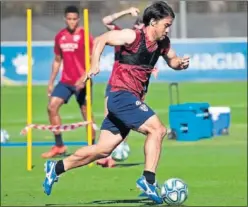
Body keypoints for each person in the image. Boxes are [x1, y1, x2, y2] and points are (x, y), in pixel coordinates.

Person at [43, 1, 190, 204]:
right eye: (166, 24)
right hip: (121, 95)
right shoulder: (132, 36)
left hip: (128, 99)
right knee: (158, 130)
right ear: (153, 22)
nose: (168, 28)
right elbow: (101, 39)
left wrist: (179, 64)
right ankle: (148, 180)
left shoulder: (163, 43)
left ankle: (56, 168)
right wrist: (94, 64)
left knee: (102, 150)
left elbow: (172, 60)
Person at [96, 7, 158, 168]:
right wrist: (126, 11)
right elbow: (106, 21)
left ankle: (115, 152)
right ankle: (107, 152)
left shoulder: (147, 42)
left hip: (132, 86)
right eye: (136, 26)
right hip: (115, 81)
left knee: (125, 118)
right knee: (109, 116)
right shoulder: (125, 37)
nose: (138, 29)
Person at [41, 6, 97, 158]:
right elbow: (58, 60)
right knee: (52, 107)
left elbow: (93, 61)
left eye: (74, 19)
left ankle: (92, 147)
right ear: (65, 19)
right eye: (69, 19)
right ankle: (59, 145)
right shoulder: (60, 36)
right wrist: (51, 81)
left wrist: (84, 78)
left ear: (78, 19)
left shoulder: (86, 36)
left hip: (83, 81)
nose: (72, 22)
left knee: (86, 113)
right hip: (66, 81)